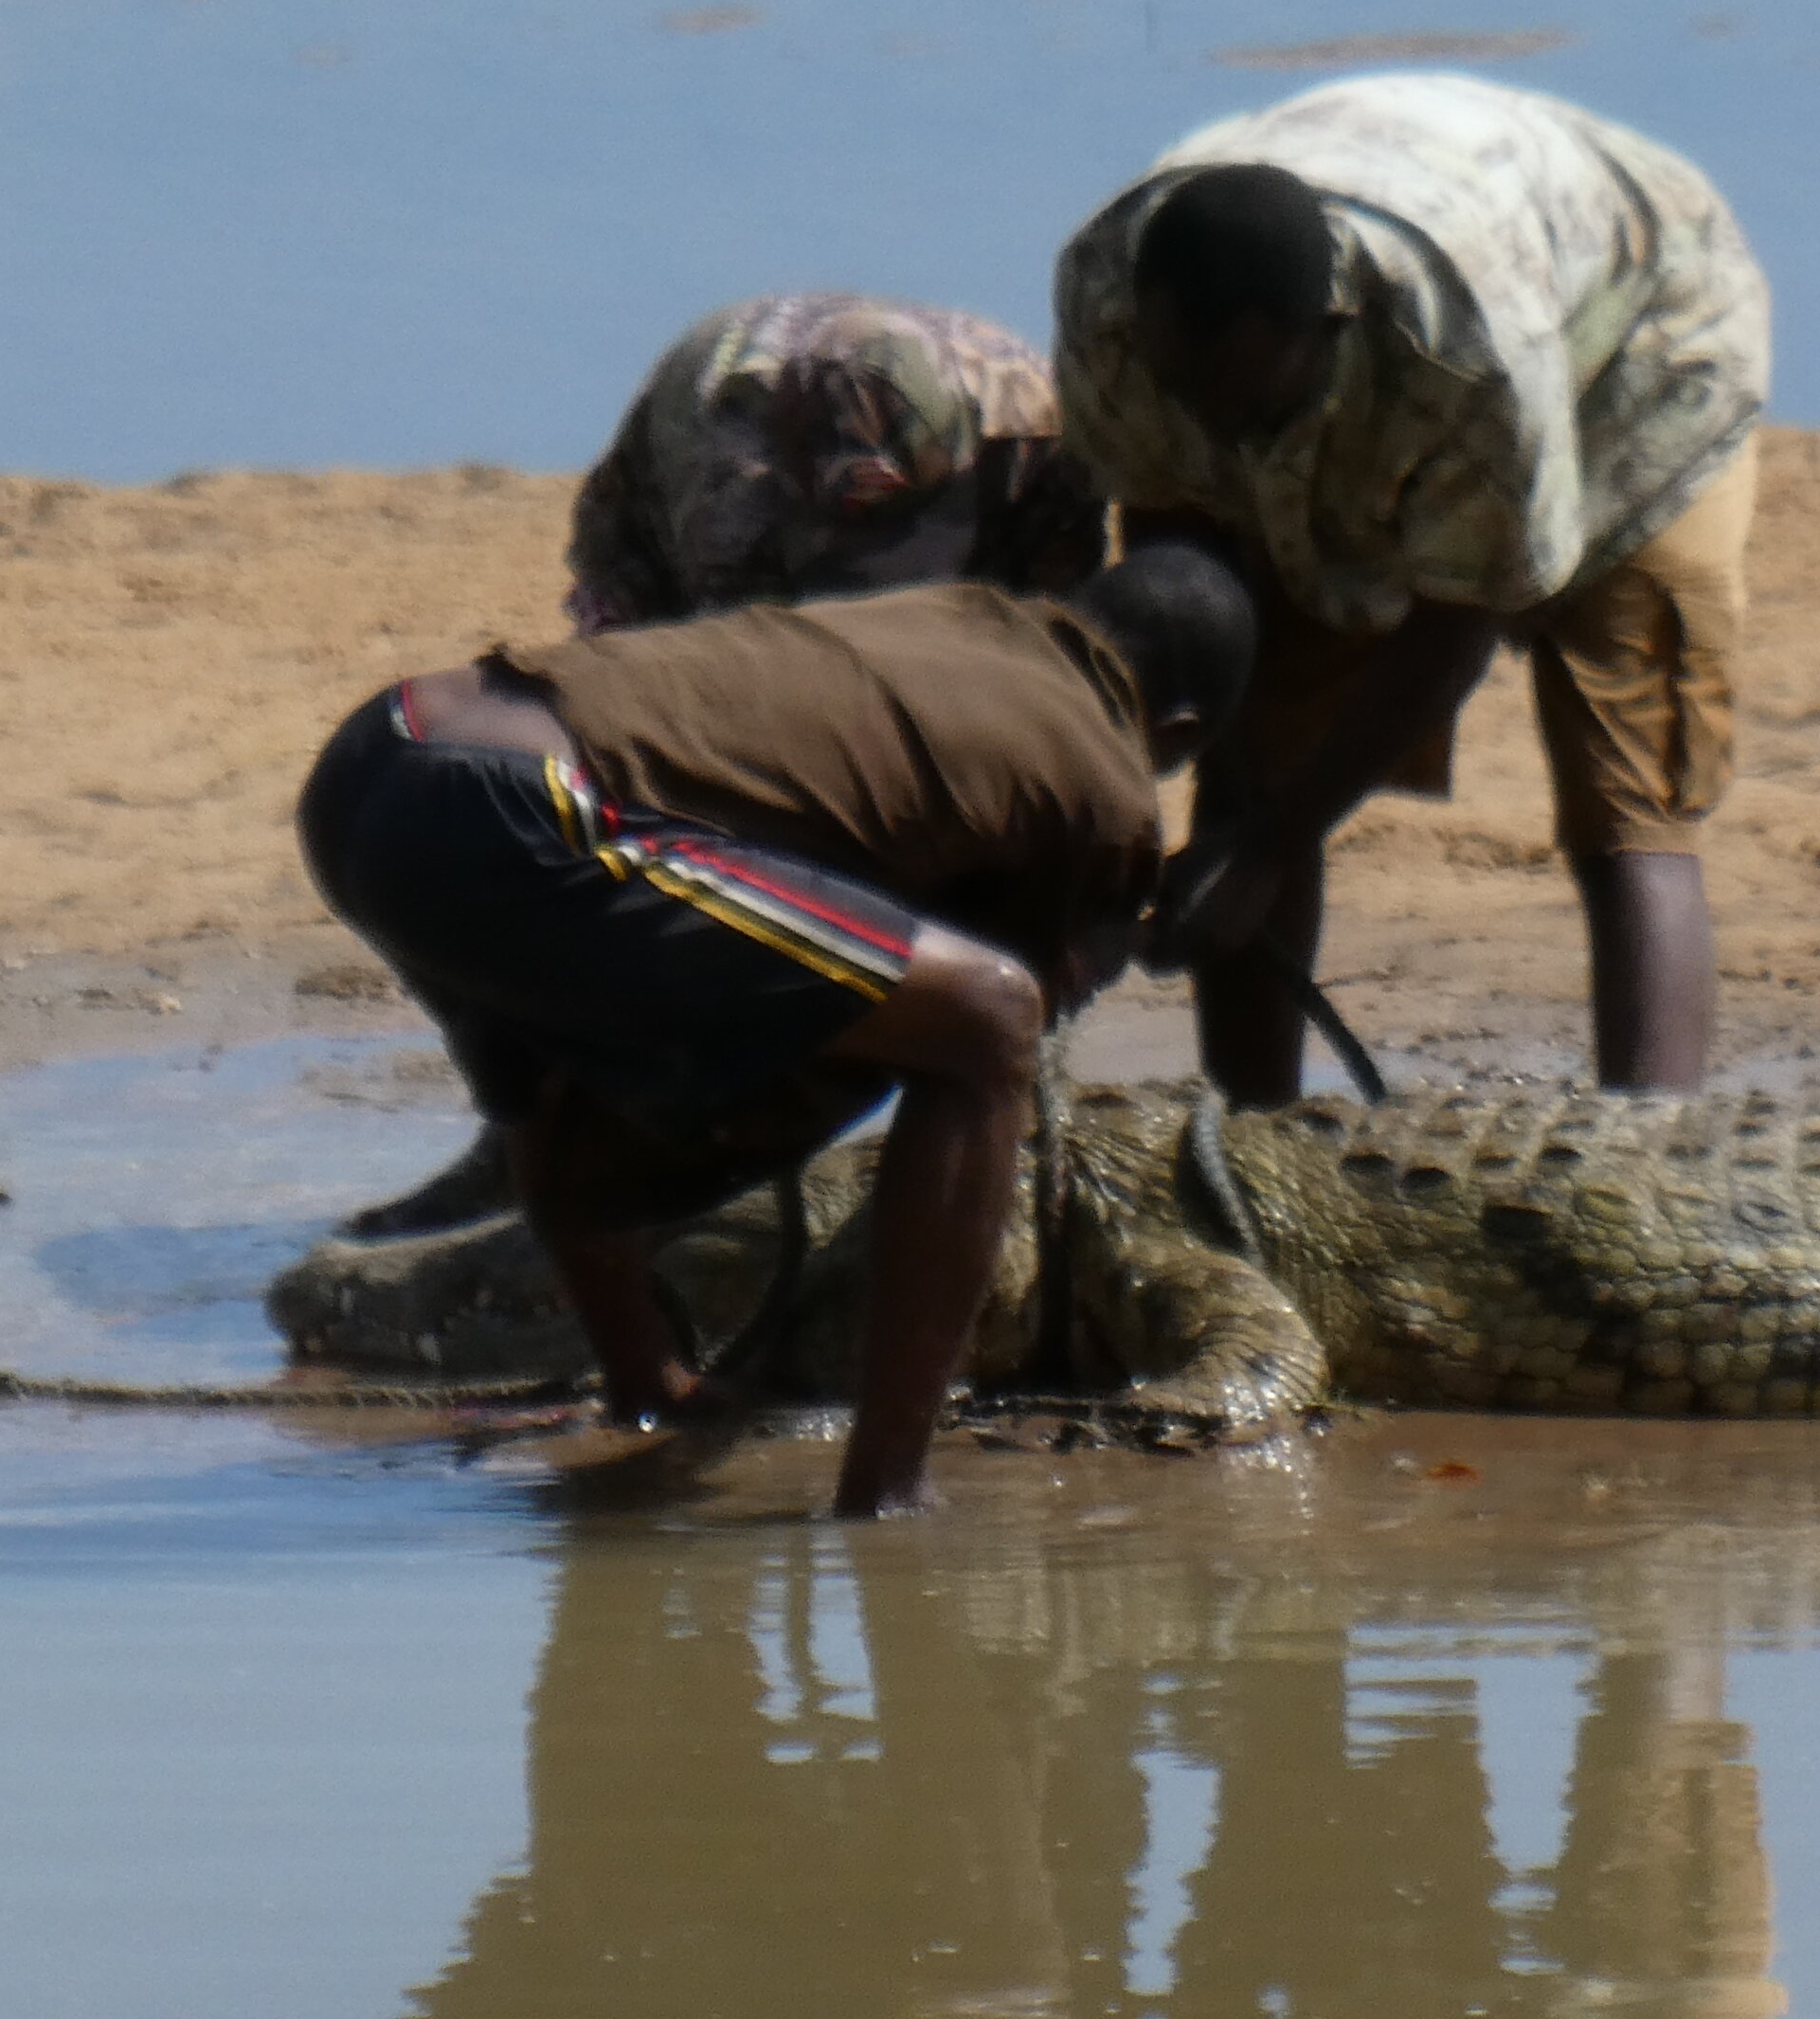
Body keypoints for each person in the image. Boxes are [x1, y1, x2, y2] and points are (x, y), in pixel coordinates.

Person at [294, 549, 1255, 1516]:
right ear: (1178, 729)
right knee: (986, 1022)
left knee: (557, 1056)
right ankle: (888, 1488)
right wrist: (1141, 924)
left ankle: (644, 1383)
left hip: (379, 759)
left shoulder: (966, 617)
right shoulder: (1108, 777)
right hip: (519, 813)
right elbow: (1025, 998)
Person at [1050, 74, 1769, 1102]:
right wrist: (1205, 803)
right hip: (1442, 262)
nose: (1219, 430)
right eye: (1190, 398)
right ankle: (1255, 1146)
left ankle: (1655, 1162)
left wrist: (1273, 846)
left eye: (1246, 405)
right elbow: (1175, 547)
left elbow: (1451, 633)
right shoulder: (1105, 304)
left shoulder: (1467, 352)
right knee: (1253, 762)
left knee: (1628, 805)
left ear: (1327, 327)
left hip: (1643, 349)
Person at [565, 293, 1109, 635]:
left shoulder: (1036, 425)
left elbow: (1061, 627)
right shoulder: (729, 473)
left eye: (905, 511)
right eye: (865, 518)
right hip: (703, 467)